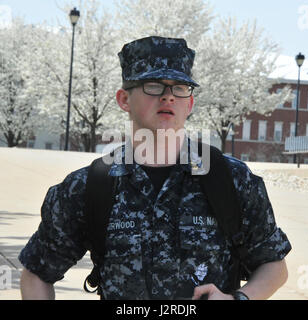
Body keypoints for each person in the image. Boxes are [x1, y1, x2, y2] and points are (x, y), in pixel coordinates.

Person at [19, 36, 291, 300]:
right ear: (124, 99)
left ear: (190, 103)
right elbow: (37, 274)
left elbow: (274, 266)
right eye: (153, 85)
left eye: (180, 88)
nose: (168, 97)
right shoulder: (89, 186)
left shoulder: (230, 180)